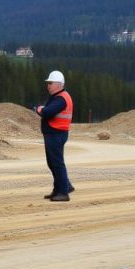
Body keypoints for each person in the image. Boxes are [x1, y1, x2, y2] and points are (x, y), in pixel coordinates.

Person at [35, 70, 74, 201]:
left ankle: (63, 192)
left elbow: (48, 112)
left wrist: (40, 109)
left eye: (50, 83)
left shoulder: (61, 98)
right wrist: (43, 110)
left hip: (56, 133)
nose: (48, 85)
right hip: (54, 133)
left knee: (57, 163)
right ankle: (59, 189)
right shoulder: (57, 97)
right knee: (53, 163)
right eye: (48, 83)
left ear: (59, 84)